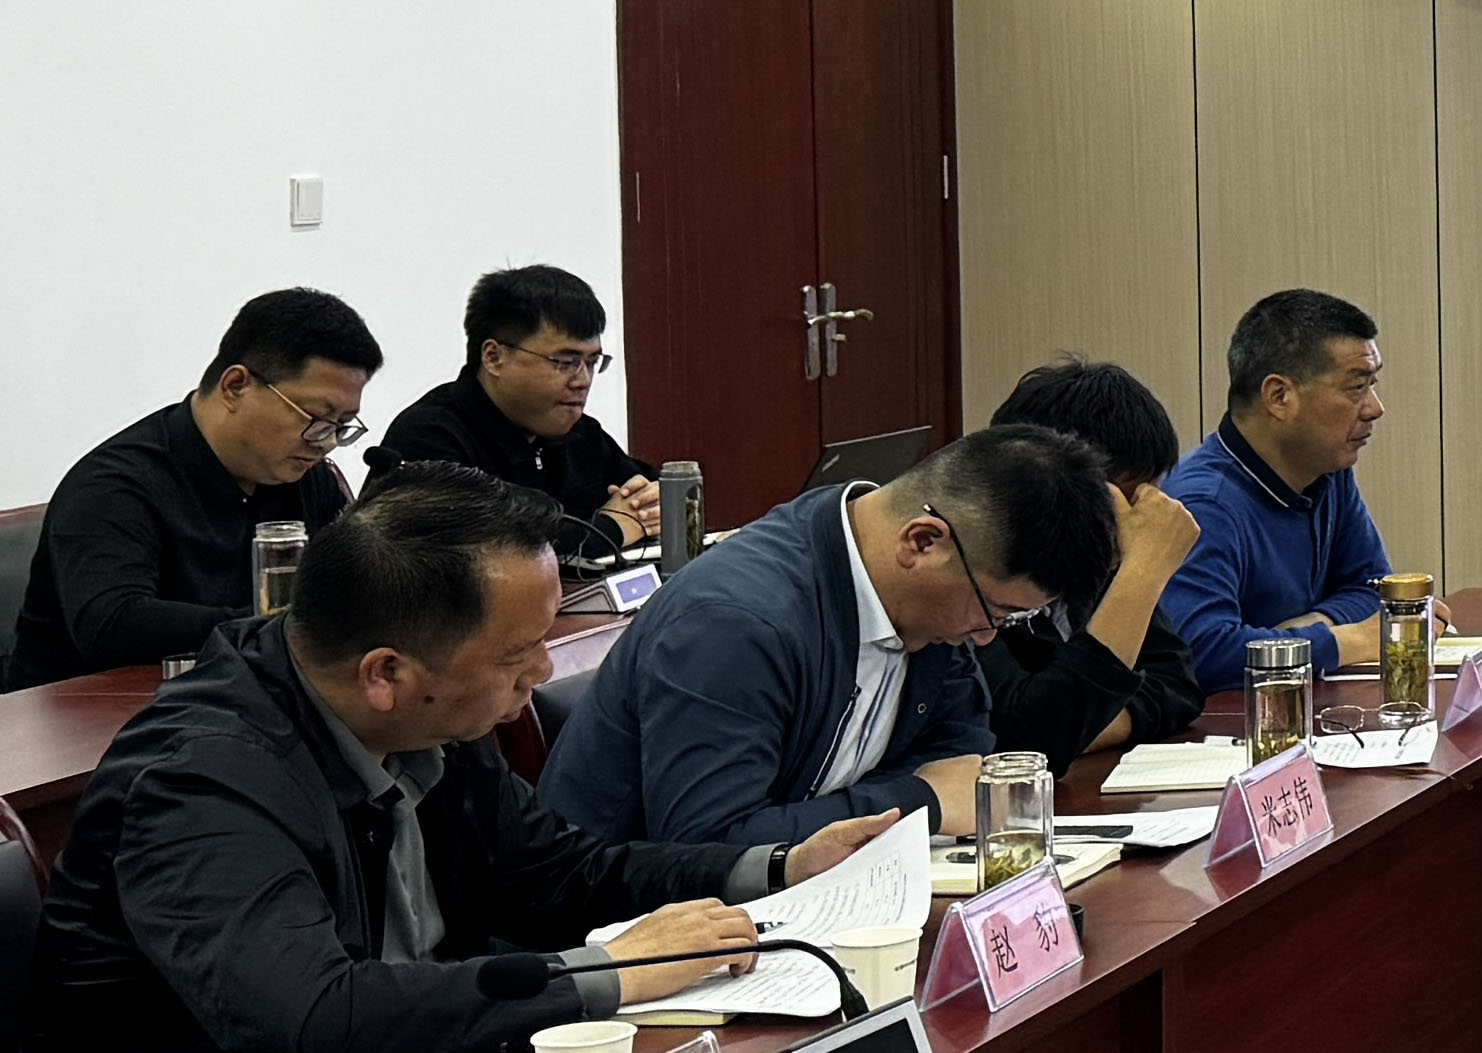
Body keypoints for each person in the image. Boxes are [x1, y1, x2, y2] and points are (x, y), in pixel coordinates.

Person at [9, 472, 899, 1053]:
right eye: (517, 655)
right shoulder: (202, 782)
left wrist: (777, 866)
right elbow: (313, 1015)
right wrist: (610, 971)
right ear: (386, 672)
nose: (542, 672)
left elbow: (559, 876)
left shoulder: (432, 718)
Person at [540, 426, 1115, 852]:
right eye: (995, 612)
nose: (987, 638)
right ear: (922, 542)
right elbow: (708, 845)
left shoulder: (929, 601)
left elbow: (956, 755)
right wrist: (918, 802)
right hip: (625, 938)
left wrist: (929, 795)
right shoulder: (734, 622)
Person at [10, 288, 382, 687]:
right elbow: (112, 624)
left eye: (342, 426)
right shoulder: (113, 487)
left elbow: (353, 584)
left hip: (241, 696)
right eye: (316, 418)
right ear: (235, 386)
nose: (327, 441)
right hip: (90, 711)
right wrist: (287, 626)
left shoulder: (307, 477)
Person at [1164, 287, 1415, 689]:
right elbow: (1202, 652)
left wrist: (1316, 623)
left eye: (1373, 384)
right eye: (1356, 388)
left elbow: (1373, 589)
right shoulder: (1203, 504)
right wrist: (1343, 642)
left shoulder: (1326, 471)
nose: (1375, 408)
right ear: (1279, 396)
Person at [974, 359, 1203, 764]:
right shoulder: (976, 580)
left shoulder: (1095, 567)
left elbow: (1178, 686)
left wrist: (1080, 728)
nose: (1137, 520)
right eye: (1126, 499)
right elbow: (1026, 738)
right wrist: (1143, 571)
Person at [372, 262, 662, 563]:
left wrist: (655, 503)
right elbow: (488, 555)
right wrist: (612, 529)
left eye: (592, 363)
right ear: (494, 357)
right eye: (565, 362)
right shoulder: (429, 438)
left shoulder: (580, 433)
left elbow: (644, 495)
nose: (583, 380)